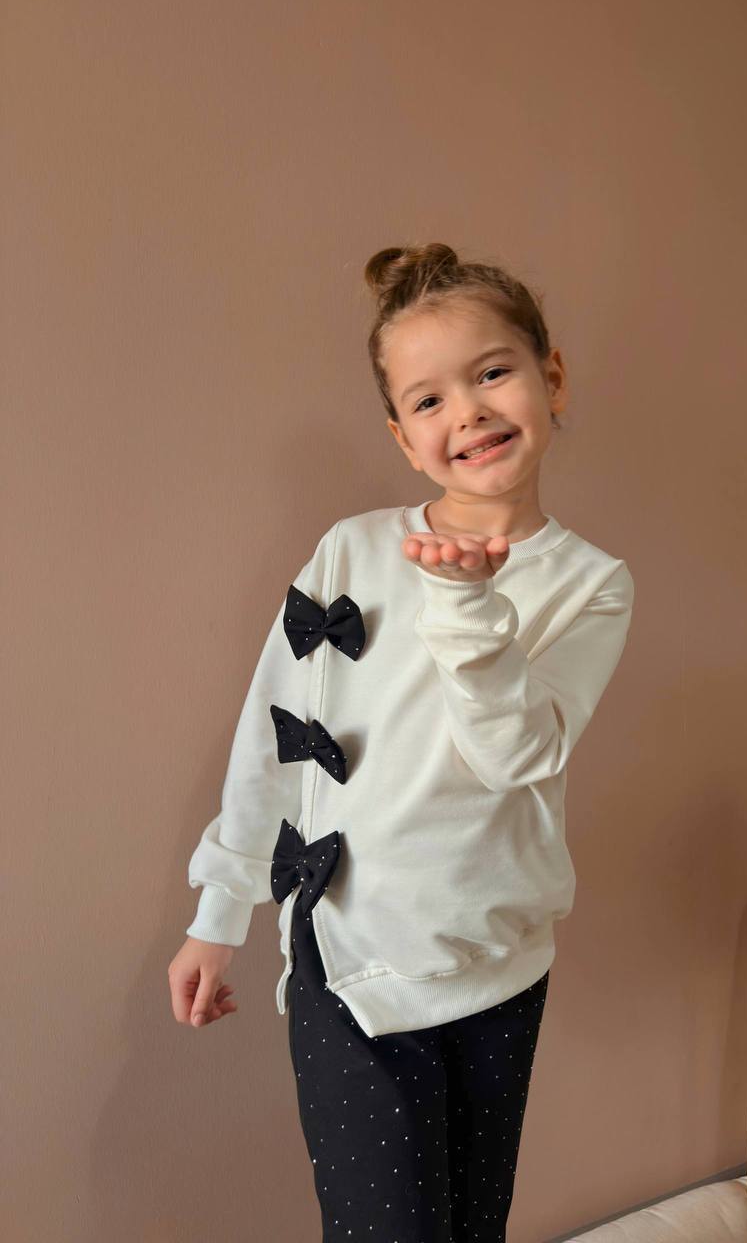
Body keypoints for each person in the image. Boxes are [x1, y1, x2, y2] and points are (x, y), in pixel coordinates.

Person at [167, 241, 635, 1240]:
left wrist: (468, 605)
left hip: (495, 960)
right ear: (403, 436)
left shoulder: (591, 584)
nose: (466, 411)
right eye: (429, 399)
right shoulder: (350, 549)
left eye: (492, 372)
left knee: (469, 1222)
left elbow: (515, 754)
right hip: (349, 953)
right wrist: (221, 908)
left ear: (551, 377)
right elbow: (276, 733)